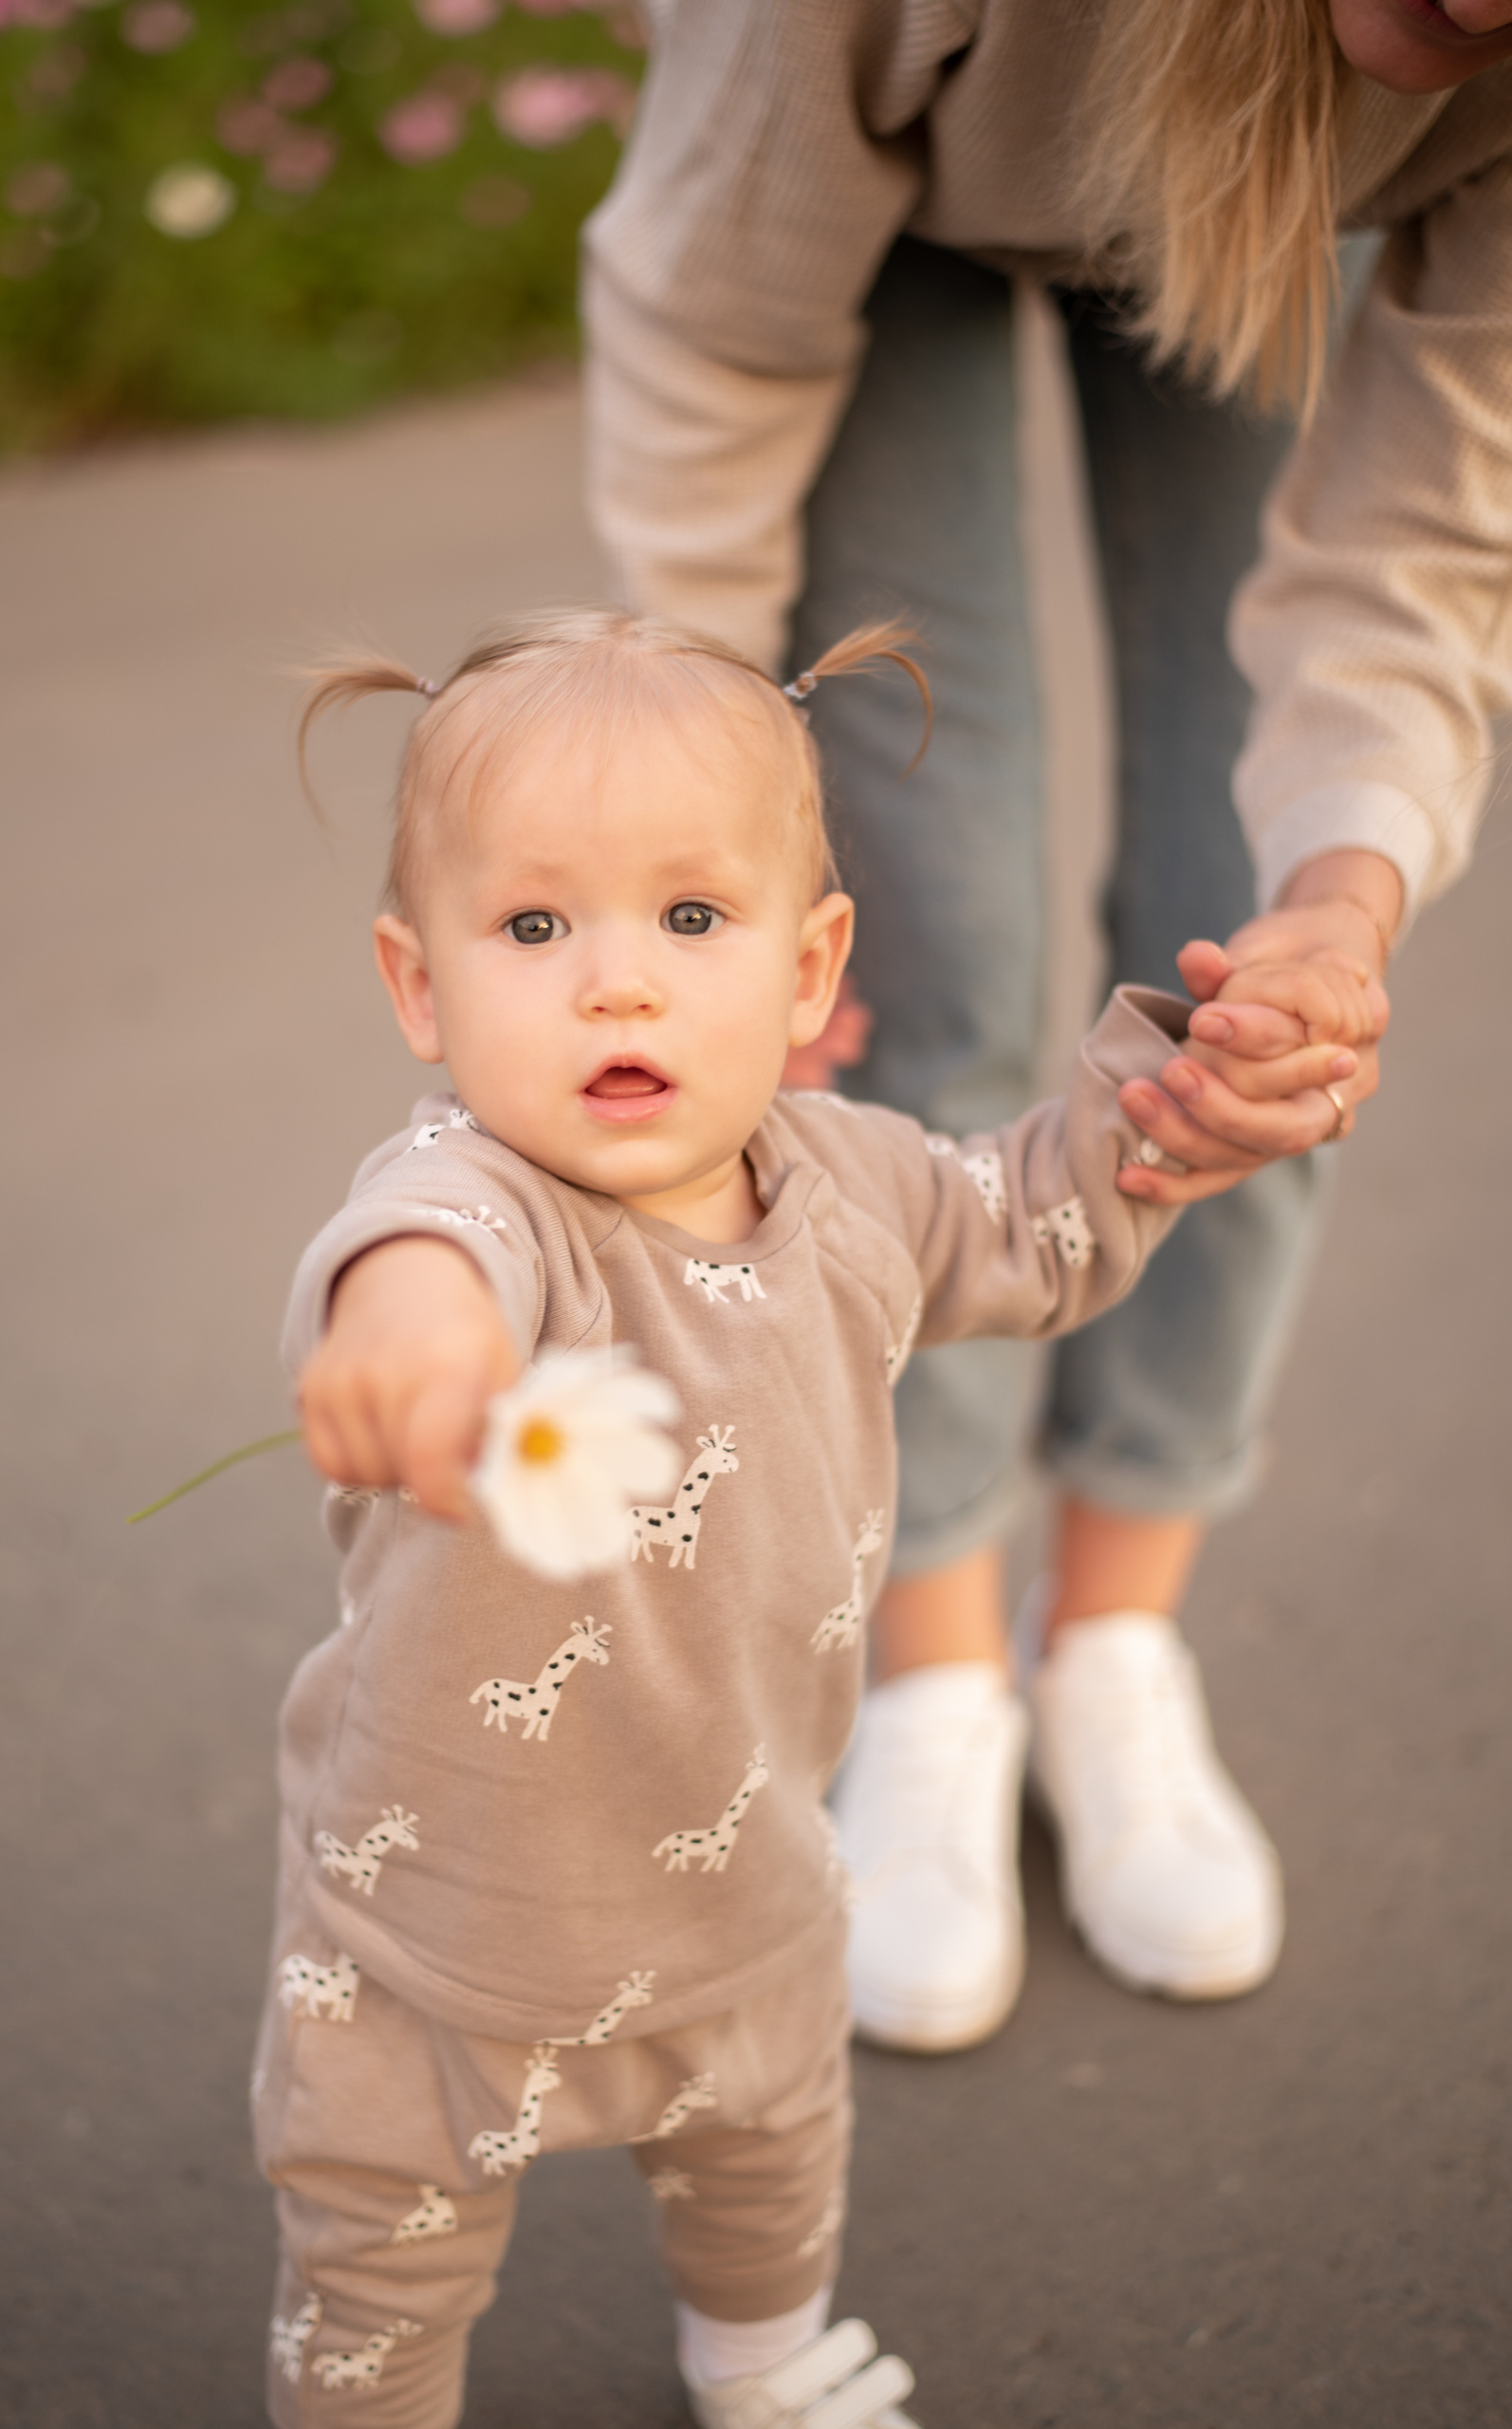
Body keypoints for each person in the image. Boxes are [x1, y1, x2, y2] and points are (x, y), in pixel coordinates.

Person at [255, 609, 1342, 2427]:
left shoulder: (857, 1184)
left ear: (810, 961)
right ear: (418, 984)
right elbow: (421, 1265)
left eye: (693, 919)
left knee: (765, 2164)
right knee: (383, 2252)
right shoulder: (473, 1205)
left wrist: (1175, 1101)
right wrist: (415, 1338)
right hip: (440, 1928)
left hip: (742, 1875)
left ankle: (758, 2359)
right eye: (535, 926)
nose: (619, 982)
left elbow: (1037, 1217)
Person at [581, 0, 1512, 2048]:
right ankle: (926, 1670)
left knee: (1244, 955)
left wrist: (1341, 904)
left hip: (1280, 179)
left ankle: (1111, 1652)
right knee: (915, 929)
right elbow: (714, 332)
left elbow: (1420, 557)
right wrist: (700, 800)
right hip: (879, 184)